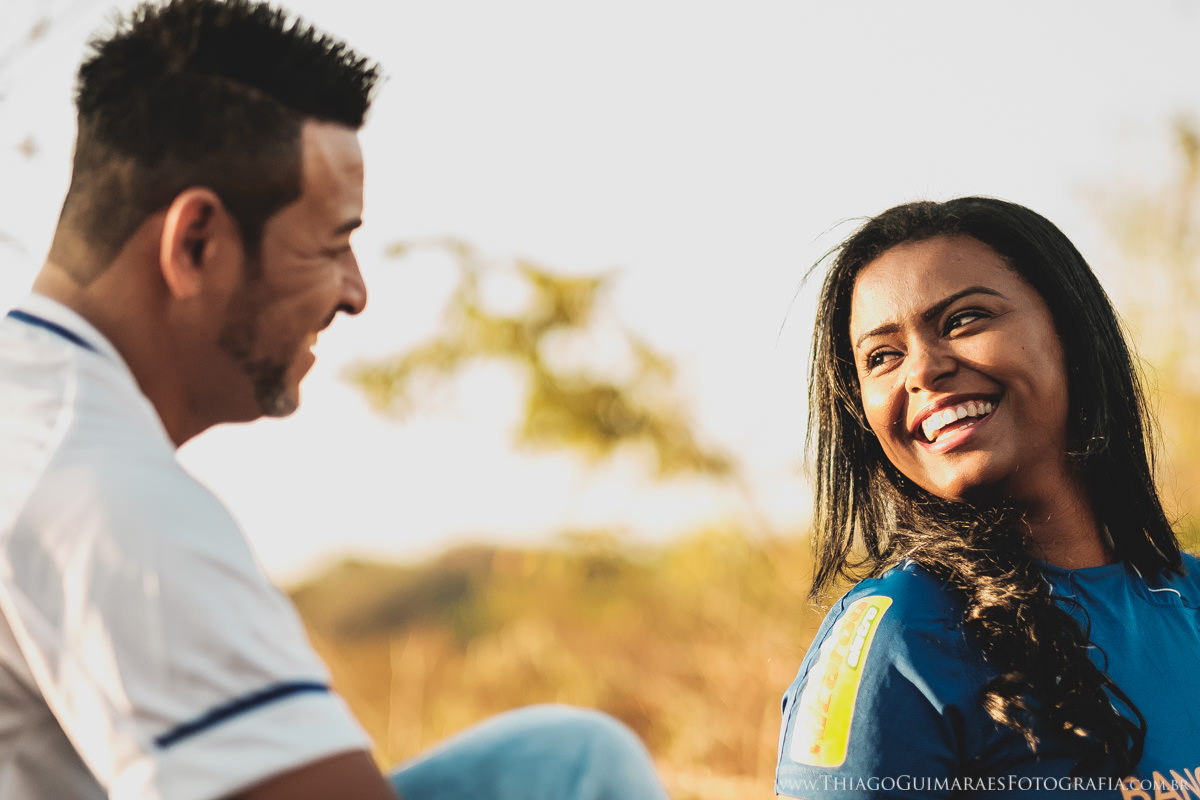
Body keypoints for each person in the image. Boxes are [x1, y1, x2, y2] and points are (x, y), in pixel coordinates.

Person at [0, 1, 671, 799]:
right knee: (580, 774)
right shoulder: (102, 494)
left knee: (562, 755)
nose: (355, 294)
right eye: (330, 244)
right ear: (197, 243)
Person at [774, 197, 1200, 799]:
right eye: (881, 357)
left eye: (965, 319)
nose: (921, 369)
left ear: (1071, 331)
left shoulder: (1188, 601)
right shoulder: (899, 638)